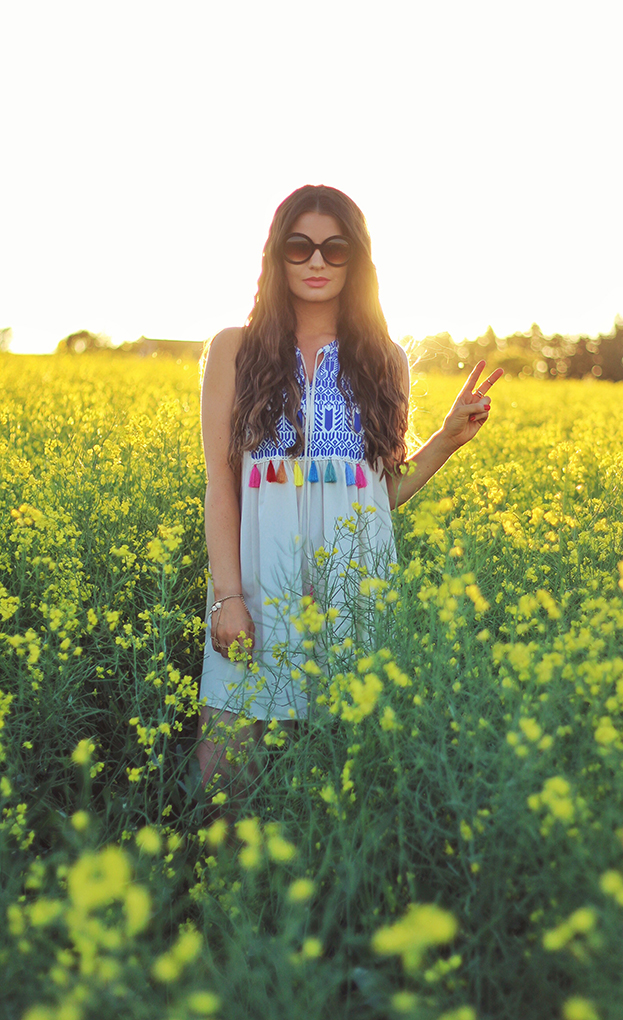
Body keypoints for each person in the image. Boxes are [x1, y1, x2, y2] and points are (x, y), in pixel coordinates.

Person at [196, 184, 502, 806]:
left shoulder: (384, 360)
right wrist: (228, 595)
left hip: (352, 589)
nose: (316, 262)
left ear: (356, 259)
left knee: (336, 775)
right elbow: (220, 483)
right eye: (299, 246)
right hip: (256, 579)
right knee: (225, 770)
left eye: (334, 249)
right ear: (276, 255)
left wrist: (443, 441)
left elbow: (375, 497)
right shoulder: (235, 348)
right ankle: (218, 895)